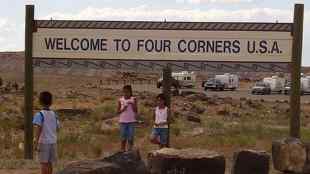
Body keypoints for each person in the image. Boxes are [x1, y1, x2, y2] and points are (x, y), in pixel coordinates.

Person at [33, 91, 59, 174]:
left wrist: (36, 142)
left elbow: (38, 128)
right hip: (53, 141)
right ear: (51, 102)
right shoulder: (54, 114)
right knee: (50, 163)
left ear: (40, 102)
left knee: (43, 163)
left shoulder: (39, 114)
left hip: (43, 142)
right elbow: (57, 127)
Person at [117, 85, 138, 152]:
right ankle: (122, 149)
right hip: (123, 121)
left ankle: (130, 149)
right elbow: (117, 112)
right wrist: (123, 108)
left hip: (131, 121)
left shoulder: (133, 99)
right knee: (123, 136)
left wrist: (132, 104)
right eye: (124, 92)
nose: (126, 94)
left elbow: (136, 110)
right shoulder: (120, 100)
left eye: (127, 92)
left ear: (130, 92)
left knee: (130, 136)